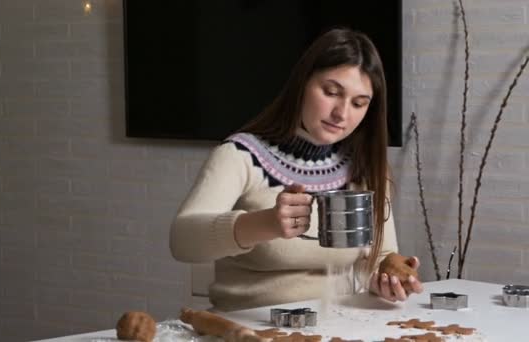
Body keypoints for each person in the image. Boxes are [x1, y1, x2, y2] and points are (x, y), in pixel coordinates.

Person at [170, 28, 423, 312]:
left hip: (341, 326)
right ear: (302, 84)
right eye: (331, 92)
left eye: (358, 103)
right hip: (248, 329)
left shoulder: (367, 166)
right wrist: (265, 223)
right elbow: (182, 240)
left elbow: (378, 256)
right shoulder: (241, 156)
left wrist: (385, 279)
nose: (342, 113)